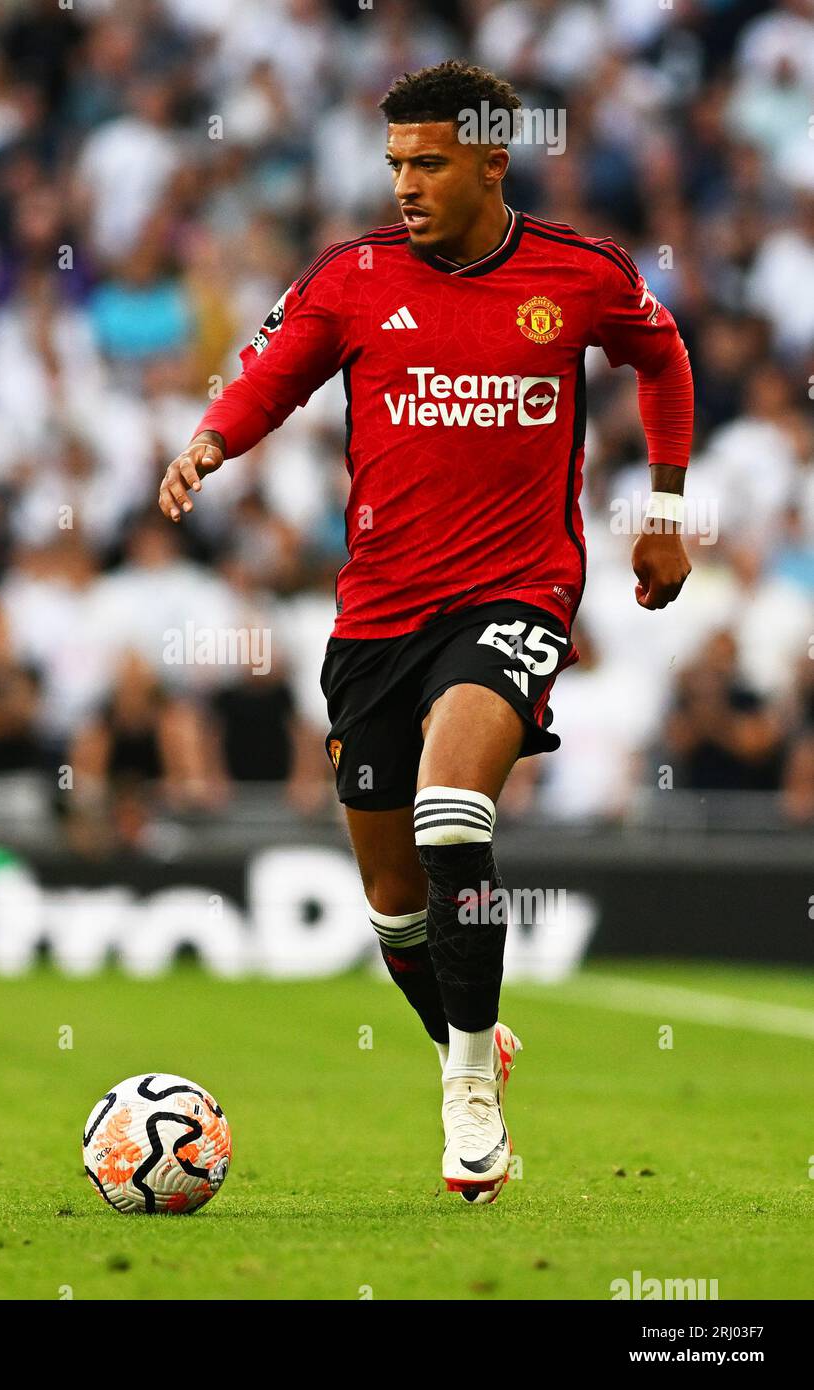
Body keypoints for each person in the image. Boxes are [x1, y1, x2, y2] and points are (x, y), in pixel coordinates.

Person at [156, 61, 694, 1204]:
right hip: (377, 617)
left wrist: (666, 509)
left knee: (457, 808)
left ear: (493, 161)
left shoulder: (580, 275)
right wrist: (208, 442)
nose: (405, 183)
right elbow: (273, 376)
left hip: (515, 596)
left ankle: (467, 1089)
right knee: (397, 907)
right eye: (395, 162)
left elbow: (664, 355)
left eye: (430, 162)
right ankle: (468, 1033)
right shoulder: (353, 277)